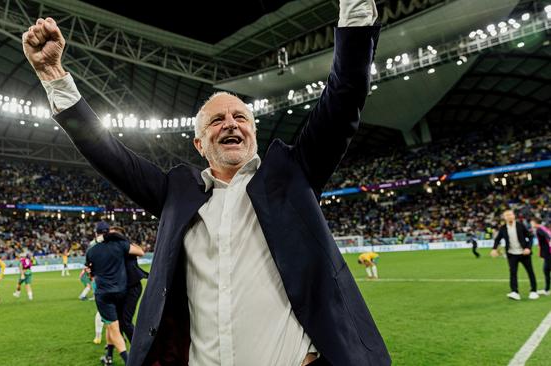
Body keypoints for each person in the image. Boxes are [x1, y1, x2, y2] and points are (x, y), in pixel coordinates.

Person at [22, 0, 390, 363]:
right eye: (217, 120)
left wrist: (355, 6)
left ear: (253, 134)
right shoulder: (175, 193)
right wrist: (54, 76)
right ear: (199, 143)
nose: (230, 123)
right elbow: (108, 153)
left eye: (240, 117)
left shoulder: (292, 173)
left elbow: (345, 94)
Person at [85, 222, 145, 365]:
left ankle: (139, 354)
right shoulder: (119, 246)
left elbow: (141, 251)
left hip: (129, 288)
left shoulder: (119, 245)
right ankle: (110, 355)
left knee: (122, 324)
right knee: (113, 325)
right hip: (121, 289)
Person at [491, 210, 538, 300]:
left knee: (530, 272)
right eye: (507, 215)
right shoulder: (503, 228)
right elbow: (497, 239)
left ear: (514, 216)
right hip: (512, 254)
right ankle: (515, 292)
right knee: (513, 273)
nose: (509, 216)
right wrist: (494, 249)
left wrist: (528, 248)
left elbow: (530, 236)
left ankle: (533, 291)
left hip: (524, 253)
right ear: (504, 218)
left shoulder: (520, 225)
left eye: (510, 214)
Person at [111, 226, 147, 343]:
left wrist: (128, 242)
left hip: (132, 287)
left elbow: (141, 252)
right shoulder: (114, 247)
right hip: (121, 288)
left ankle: (138, 350)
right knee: (118, 321)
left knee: (125, 321)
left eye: (114, 234)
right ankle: (115, 348)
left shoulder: (125, 246)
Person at [530, 218, 550, 296]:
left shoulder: (539, 229)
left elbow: (547, 236)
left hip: (548, 254)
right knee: (546, 270)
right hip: (547, 253)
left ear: (535, 222)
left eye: (531, 222)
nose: (531, 224)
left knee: (546, 270)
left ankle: (547, 290)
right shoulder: (543, 228)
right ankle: (547, 289)